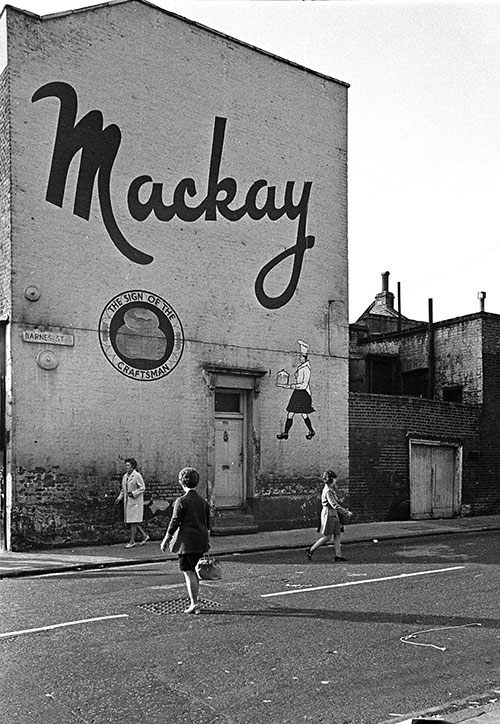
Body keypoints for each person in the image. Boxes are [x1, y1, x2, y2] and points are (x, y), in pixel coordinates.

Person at [160, 467, 211, 614]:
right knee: (195, 572)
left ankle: (194, 603)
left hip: (186, 543)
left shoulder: (181, 501)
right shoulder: (203, 501)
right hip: (200, 541)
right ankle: (195, 601)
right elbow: (207, 525)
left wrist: (166, 539)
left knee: (189, 573)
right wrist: (207, 542)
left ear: (182, 483)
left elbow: (174, 522)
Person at [277, 339, 315, 440]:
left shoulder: (306, 369)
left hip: (303, 394)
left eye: (301, 357)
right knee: (292, 413)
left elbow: (303, 385)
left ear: (305, 358)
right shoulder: (301, 367)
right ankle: (285, 433)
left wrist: (290, 386)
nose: (299, 358)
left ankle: (311, 430)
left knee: (303, 414)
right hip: (298, 392)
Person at [307, 470, 349, 561]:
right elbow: (334, 505)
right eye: (334, 479)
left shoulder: (330, 489)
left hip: (334, 514)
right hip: (329, 515)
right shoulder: (328, 491)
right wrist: (346, 512)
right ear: (330, 479)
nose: (335, 481)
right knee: (328, 537)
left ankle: (338, 555)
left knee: (337, 534)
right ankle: (311, 549)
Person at [115, 458, 149, 548]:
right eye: (126, 465)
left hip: (135, 502)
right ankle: (144, 535)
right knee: (131, 521)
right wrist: (119, 498)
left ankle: (132, 541)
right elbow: (124, 489)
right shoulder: (125, 476)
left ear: (133, 466)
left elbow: (142, 488)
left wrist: (133, 493)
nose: (126, 467)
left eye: (128, 465)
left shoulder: (137, 476)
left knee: (133, 522)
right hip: (128, 502)